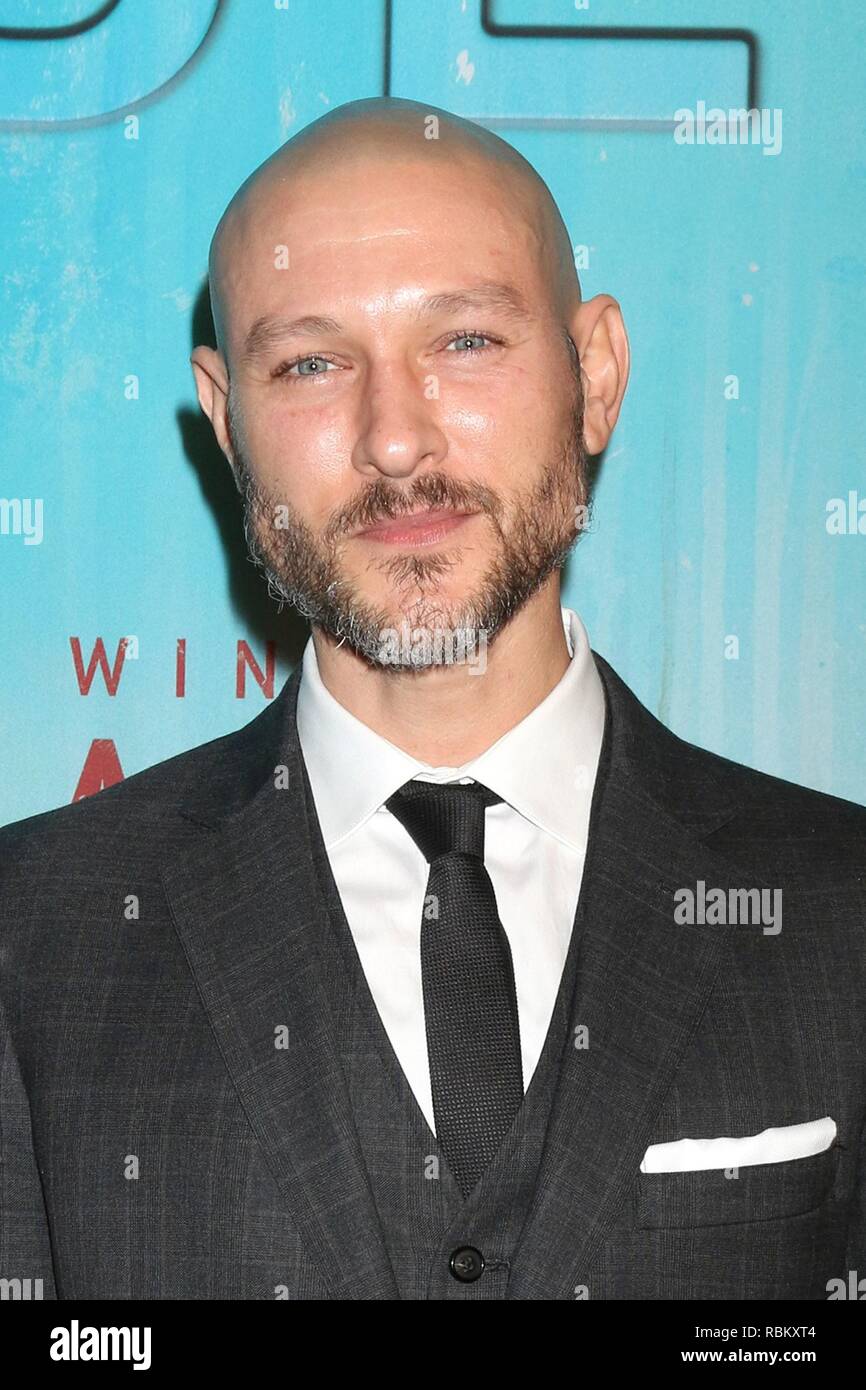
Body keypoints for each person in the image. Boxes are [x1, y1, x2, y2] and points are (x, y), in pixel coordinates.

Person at [0, 97, 863, 1302]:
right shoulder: (31, 933)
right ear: (227, 419)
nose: (394, 441)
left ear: (595, 375)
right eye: (309, 362)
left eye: (464, 341)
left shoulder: (839, 908)